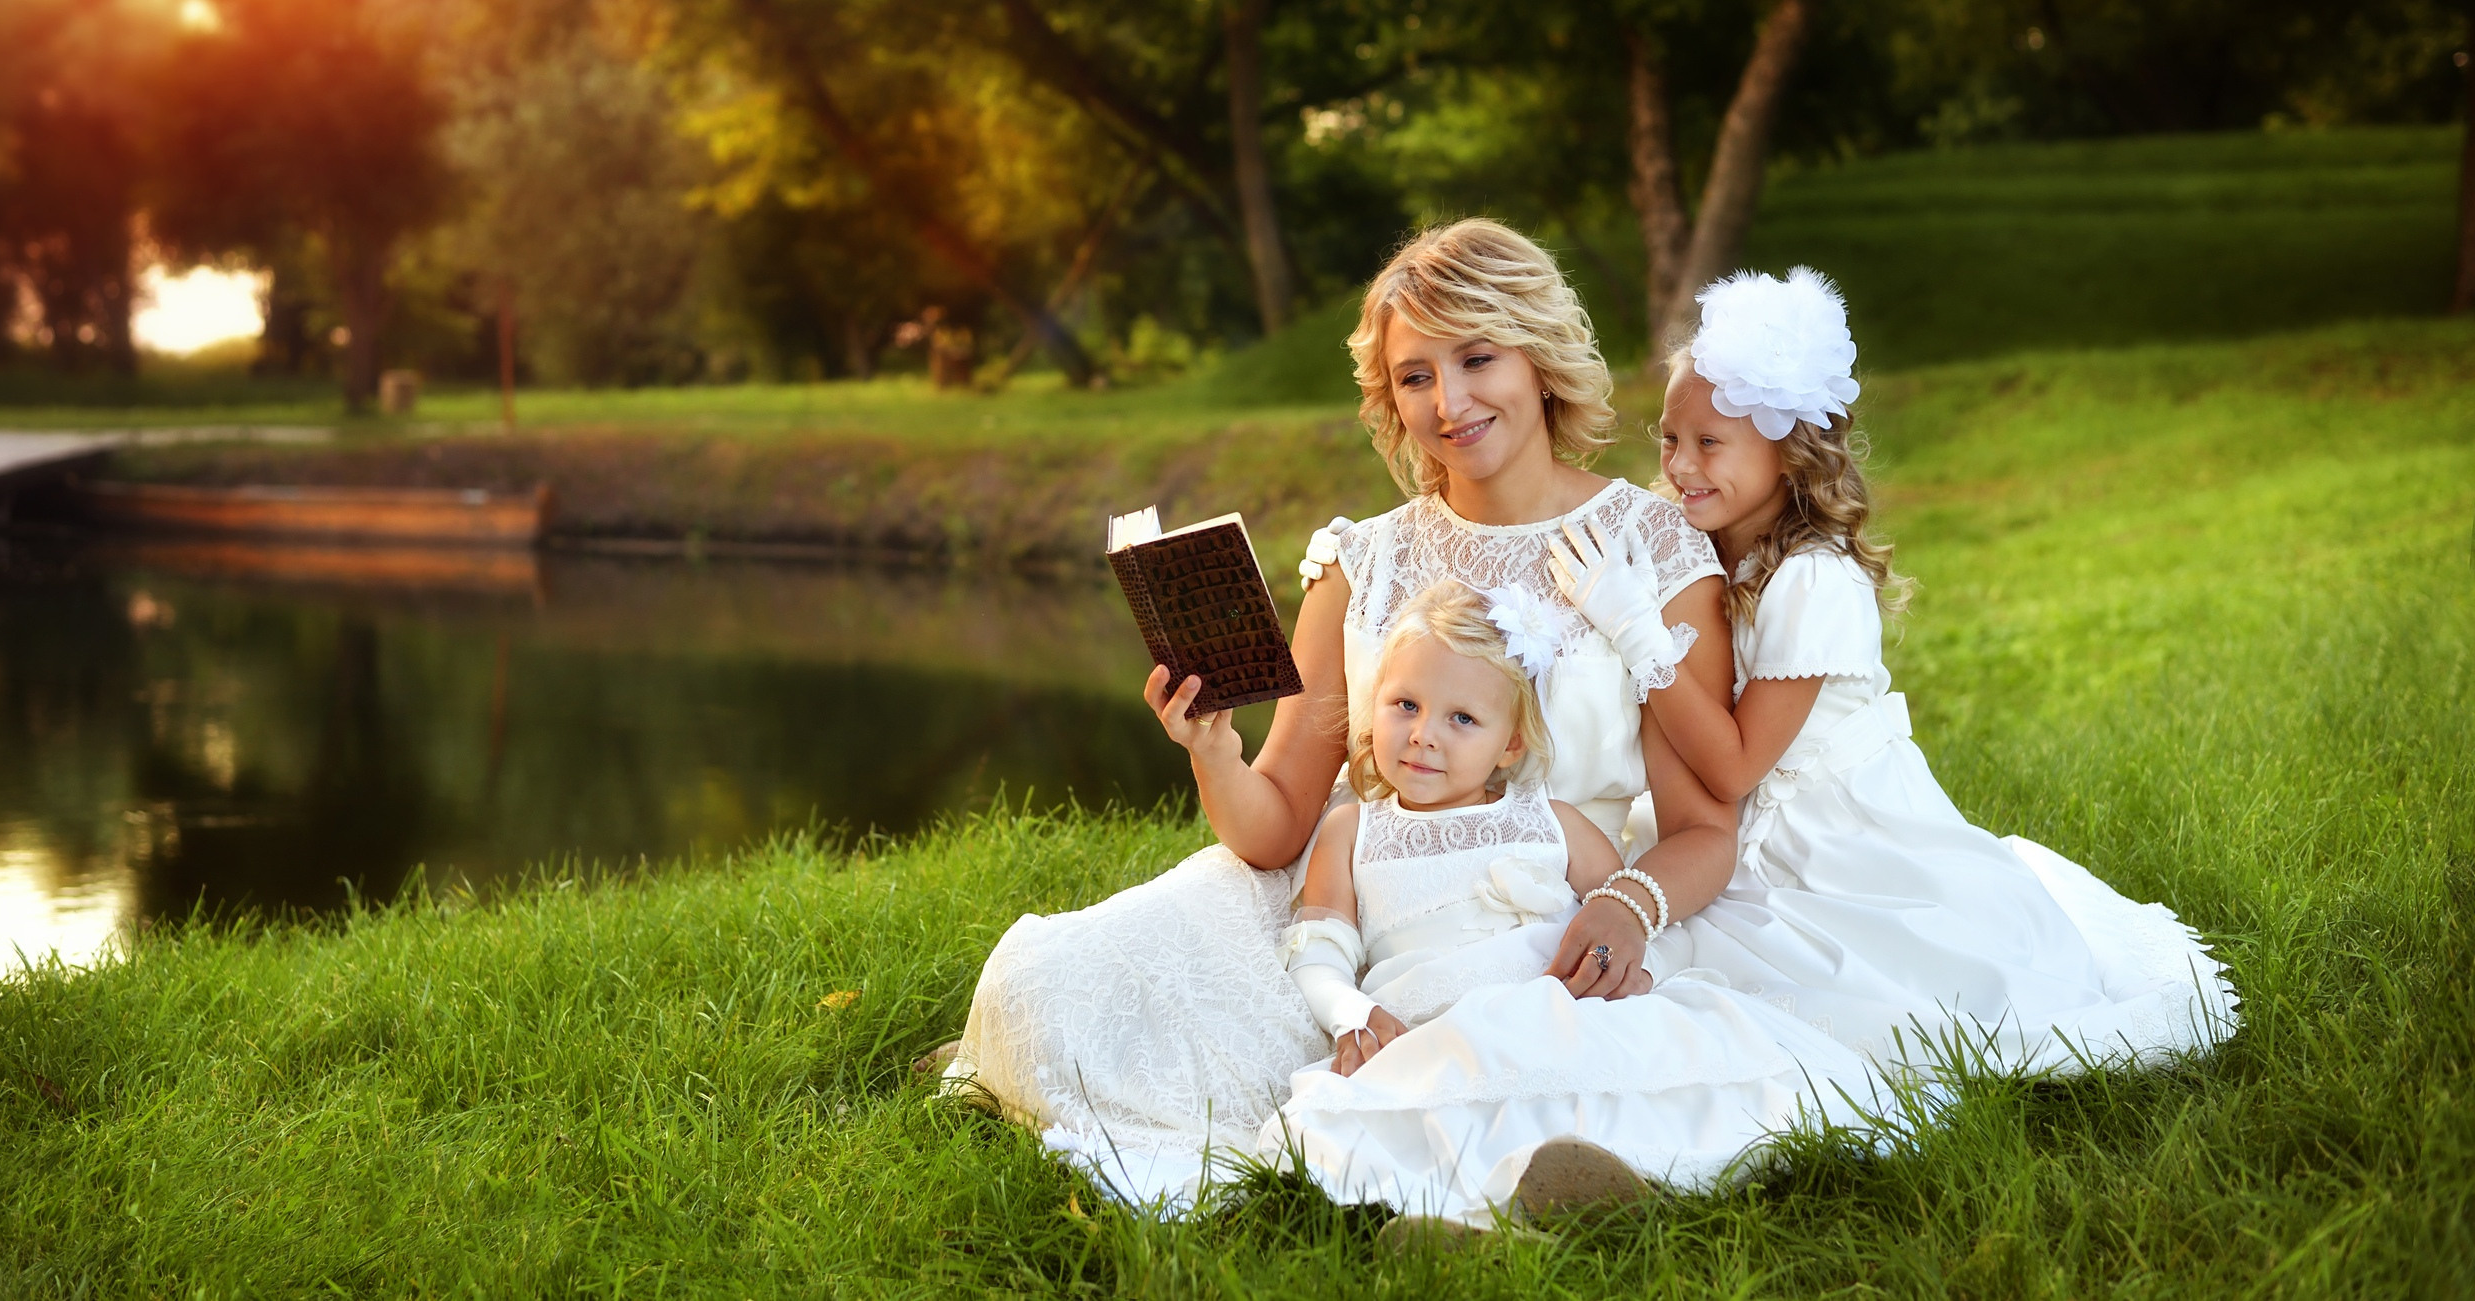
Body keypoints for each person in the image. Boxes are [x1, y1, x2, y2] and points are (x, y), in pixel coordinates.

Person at [950, 220, 1888, 1214]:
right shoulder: (1363, 558)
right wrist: (1209, 746)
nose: (1450, 400)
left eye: (1477, 358)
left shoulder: (1651, 548)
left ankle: (1500, 1198)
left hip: (1546, 912)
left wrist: (1626, 905)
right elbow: (1274, 823)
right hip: (1353, 903)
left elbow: (1704, 828)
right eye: (1414, 376)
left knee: (1510, 1067)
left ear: (1537, 358)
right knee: (1042, 985)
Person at [1543, 266, 2239, 1072]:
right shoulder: (1704, 550)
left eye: (1710, 443)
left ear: (1787, 451)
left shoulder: (1814, 578)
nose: (1682, 464)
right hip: (1734, 824)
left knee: (1859, 992)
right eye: (1670, 438)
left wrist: (1636, 631)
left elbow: (1734, 767)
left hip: (1839, 833)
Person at [1278, 577, 1648, 1079]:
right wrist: (1353, 1015)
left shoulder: (1551, 820)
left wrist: (1623, 971)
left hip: (1560, 1020)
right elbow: (1317, 954)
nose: (1424, 736)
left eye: (1463, 718)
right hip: (1432, 1037)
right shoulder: (1352, 831)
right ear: (1375, 704)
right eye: (1406, 705)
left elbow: (1627, 920)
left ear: (1511, 744)